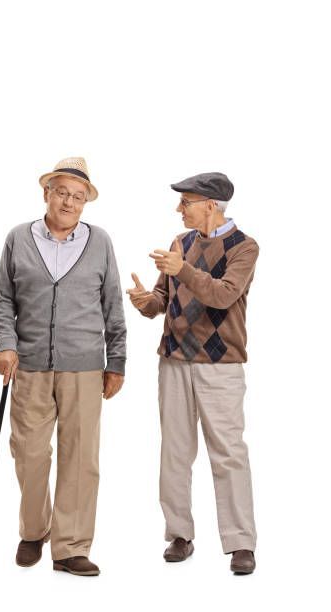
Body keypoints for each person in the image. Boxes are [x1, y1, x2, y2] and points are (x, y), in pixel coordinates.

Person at [0, 157, 126, 576]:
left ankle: (70, 547)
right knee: (28, 454)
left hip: (85, 366)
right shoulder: (18, 237)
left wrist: (116, 361)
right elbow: (3, 301)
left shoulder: (100, 241)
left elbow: (113, 306)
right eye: (62, 192)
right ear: (46, 193)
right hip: (28, 365)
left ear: (86, 203)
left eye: (78, 196)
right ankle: (34, 531)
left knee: (81, 457)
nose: (69, 201)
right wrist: (5, 345)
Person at [127, 172, 259, 574]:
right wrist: (144, 300)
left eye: (185, 202)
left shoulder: (244, 247)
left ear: (210, 205)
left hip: (220, 366)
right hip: (174, 361)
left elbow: (222, 295)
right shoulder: (179, 245)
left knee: (228, 454)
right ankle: (179, 534)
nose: (178, 209)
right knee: (175, 451)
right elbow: (163, 300)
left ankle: (240, 543)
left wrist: (182, 269)